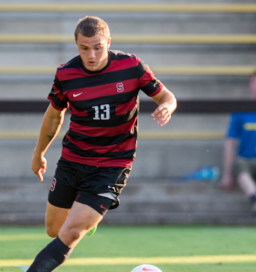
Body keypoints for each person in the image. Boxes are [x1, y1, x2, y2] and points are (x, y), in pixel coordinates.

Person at [28, 16, 177, 271]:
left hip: (112, 165)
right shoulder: (66, 74)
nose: (92, 55)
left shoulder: (131, 66)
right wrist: (39, 152)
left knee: (72, 232)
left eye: (98, 47)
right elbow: (54, 114)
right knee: (54, 230)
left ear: (108, 42)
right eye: (84, 48)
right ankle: (89, 218)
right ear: (77, 45)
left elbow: (166, 95)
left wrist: (167, 106)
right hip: (73, 159)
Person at [220, 70, 256, 216]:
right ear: (250, 86)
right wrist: (227, 174)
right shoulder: (241, 111)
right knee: (239, 165)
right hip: (247, 162)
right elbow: (230, 143)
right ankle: (255, 200)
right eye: (254, 82)